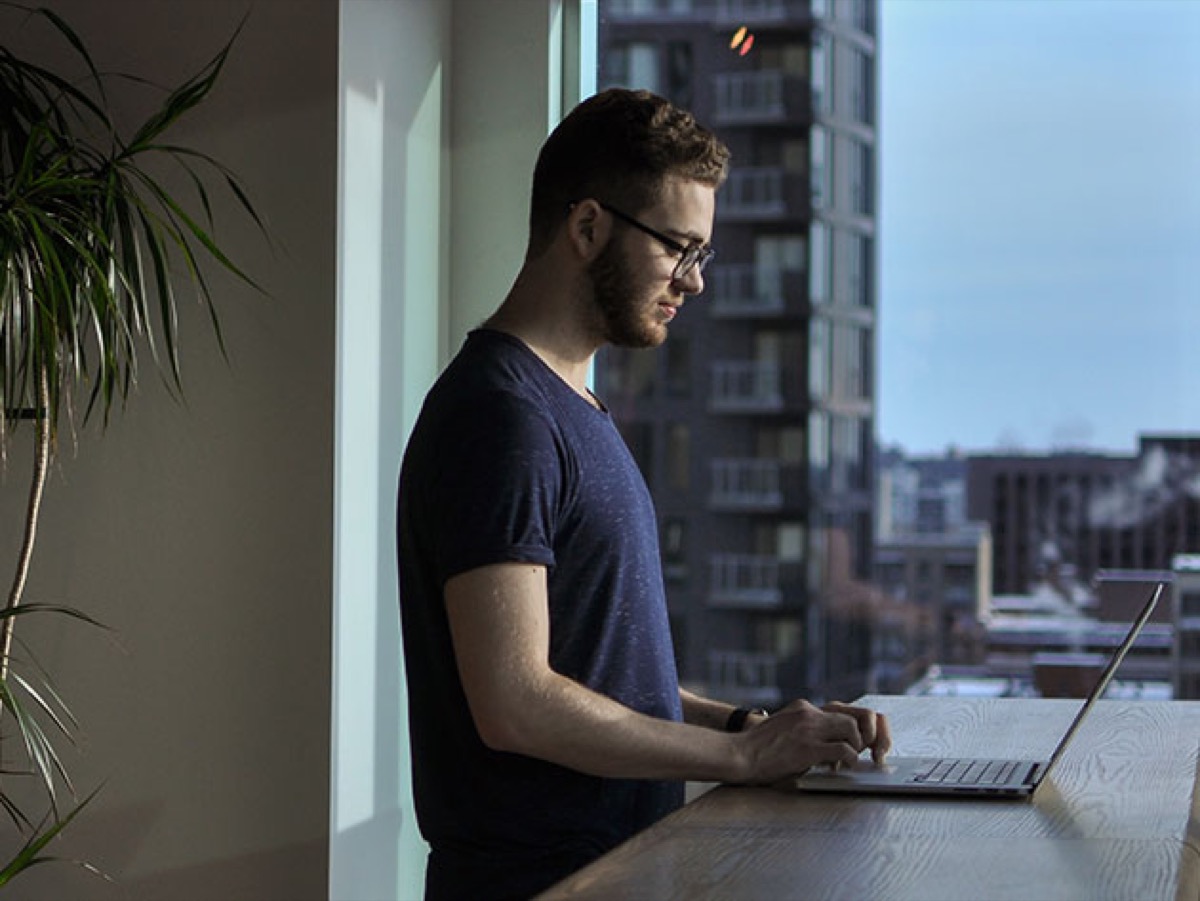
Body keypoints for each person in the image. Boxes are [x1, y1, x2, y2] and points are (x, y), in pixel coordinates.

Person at [396, 88, 890, 901]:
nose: (693, 282)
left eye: (702, 255)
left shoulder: (570, 408)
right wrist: (740, 762)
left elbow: (601, 680)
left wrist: (751, 727)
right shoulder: (501, 416)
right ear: (588, 227)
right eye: (679, 248)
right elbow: (516, 701)